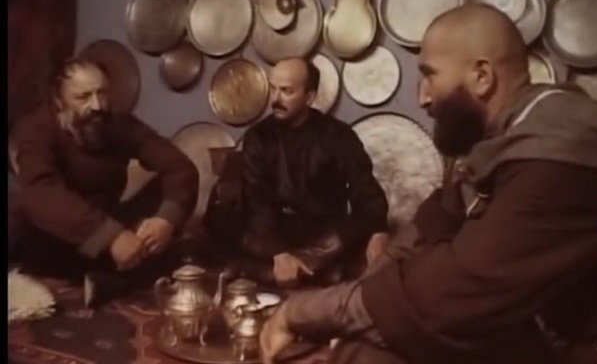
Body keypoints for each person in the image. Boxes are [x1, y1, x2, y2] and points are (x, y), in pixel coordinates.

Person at [258, 5, 597, 364]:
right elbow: (427, 228)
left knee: (367, 362)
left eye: (430, 75)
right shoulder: (511, 135)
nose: (422, 97)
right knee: (366, 343)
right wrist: (346, 309)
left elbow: (451, 291)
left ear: (482, 76)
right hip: (539, 348)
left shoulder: (561, 155)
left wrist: (302, 312)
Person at [11, 58, 199, 304]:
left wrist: (166, 220)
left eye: (102, 93)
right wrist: (109, 236)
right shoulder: (35, 129)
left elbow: (179, 167)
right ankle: (106, 280)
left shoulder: (119, 124)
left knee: (167, 208)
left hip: (109, 224)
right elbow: (43, 193)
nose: (97, 105)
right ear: (59, 100)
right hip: (58, 235)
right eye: (83, 97)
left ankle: (107, 279)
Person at [231, 57, 389, 287]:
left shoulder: (337, 135)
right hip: (274, 230)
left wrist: (378, 230)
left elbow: (364, 187)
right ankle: (309, 270)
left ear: (309, 97)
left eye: (286, 91)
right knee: (228, 221)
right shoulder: (259, 137)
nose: (275, 99)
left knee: (356, 228)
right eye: (273, 89)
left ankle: (298, 268)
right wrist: (279, 252)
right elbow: (257, 199)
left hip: (323, 233)